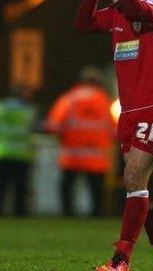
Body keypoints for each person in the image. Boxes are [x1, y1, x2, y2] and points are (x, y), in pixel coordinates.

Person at [75, 0, 153, 271]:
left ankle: (121, 259)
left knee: (133, 176)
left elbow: (137, 9)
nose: (115, 1)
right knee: (150, 188)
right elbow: (82, 23)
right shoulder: (119, 12)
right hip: (131, 110)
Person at [45, 66, 116, 217]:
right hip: (96, 157)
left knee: (67, 187)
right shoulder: (104, 101)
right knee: (96, 190)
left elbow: (53, 126)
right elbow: (115, 130)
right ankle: (97, 215)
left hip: (72, 155)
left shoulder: (69, 99)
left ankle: (67, 214)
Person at [0, 84, 37, 216]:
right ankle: (19, 214)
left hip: (2, 152)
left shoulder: (0, 107)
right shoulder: (29, 110)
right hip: (22, 155)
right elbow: (35, 126)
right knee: (20, 190)